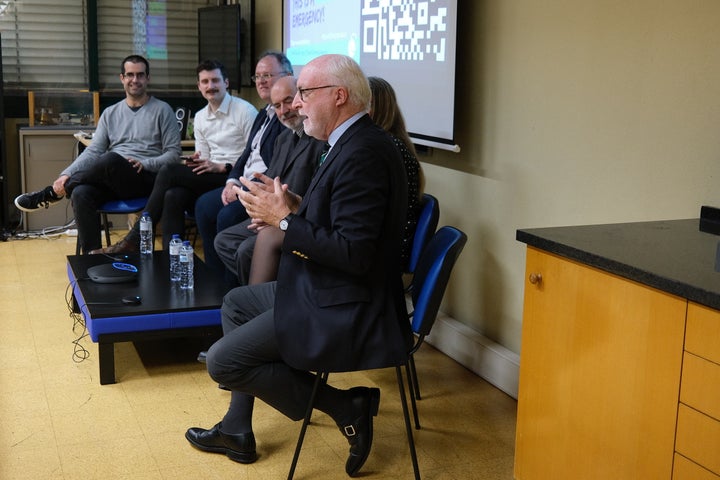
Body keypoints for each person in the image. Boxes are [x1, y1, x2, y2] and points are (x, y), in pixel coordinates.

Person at [185, 54, 410, 477]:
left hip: (347, 305)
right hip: (327, 288)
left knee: (223, 362)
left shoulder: (363, 153)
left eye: (305, 93)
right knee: (236, 302)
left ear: (338, 96)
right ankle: (237, 427)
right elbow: (338, 223)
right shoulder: (348, 143)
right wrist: (295, 206)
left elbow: (354, 254)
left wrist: (284, 221)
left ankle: (346, 405)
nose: (297, 103)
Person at [232, 75, 425, 286]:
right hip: (354, 243)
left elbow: (352, 240)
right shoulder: (365, 145)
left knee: (267, 240)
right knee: (262, 240)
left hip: (377, 257)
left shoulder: (373, 151)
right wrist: (292, 205)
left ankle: (273, 302)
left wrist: (285, 218)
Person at [14, 54, 182, 253]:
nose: (134, 80)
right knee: (80, 192)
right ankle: (92, 258)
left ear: (148, 78)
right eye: (130, 75)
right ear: (122, 78)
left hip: (145, 180)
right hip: (114, 179)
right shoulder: (110, 113)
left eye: (140, 75)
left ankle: (51, 194)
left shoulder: (163, 110)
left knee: (110, 159)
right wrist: (65, 174)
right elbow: (93, 150)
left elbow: (173, 155)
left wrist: (145, 163)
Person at [88, 59, 257, 254]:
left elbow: (254, 156)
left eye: (215, 80)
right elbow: (205, 157)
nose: (210, 86)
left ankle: (136, 238)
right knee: (172, 195)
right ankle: (171, 259)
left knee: (169, 171)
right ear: (199, 86)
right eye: (205, 82)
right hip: (213, 175)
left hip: (235, 175)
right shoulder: (201, 116)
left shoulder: (245, 111)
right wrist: (198, 161)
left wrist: (222, 166)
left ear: (226, 83)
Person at [212, 76, 324, 285]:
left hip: (294, 217)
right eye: (277, 106)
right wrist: (257, 205)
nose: (283, 111)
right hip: (270, 214)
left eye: (288, 101)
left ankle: (261, 298)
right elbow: (269, 182)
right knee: (224, 241)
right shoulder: (283, 139)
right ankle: (261, 291)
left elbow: (312, 196)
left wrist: (275, 214)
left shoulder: (319, 139)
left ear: (300, 98)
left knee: (246, 251)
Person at [193, 51, 292, 273]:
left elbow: (277, 166)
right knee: (202, 206)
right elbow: (245, 155)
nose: (262, 81)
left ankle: (229, 287)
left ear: (288, 75)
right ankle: (214, 277)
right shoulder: (263, 114)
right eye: (258, 77)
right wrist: (231, 182)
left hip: (261, 189)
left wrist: (244, 187)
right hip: (241, 182)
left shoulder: (286, 118)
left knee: (225, 216)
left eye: (267, 75)